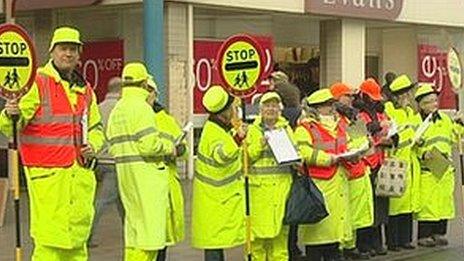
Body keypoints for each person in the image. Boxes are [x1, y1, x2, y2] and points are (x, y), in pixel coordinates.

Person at [0, 26, 105, 260]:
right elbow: (12, 126)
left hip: (79, 181)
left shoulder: (85, 90)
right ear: (52, 52)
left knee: (78, 247)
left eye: (72, 50)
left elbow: (97, 128)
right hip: (49, 181)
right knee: (49, 247)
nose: (67, 54)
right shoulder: (37, 82)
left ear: (79, 55)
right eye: (63, 49)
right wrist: (10, 113)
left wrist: (94, 146)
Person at [106, 62, 177, 261]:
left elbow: (111, 144)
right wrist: (169, 146)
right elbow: (149, 146)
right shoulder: (143, 109)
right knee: (149, 240)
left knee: (134, 237)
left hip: (127, 179)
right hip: (148, 181)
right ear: (145, 83)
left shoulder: (117, 110)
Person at [295, 89, 353, 261]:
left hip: (339, 182)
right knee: (318, 237)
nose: (331, 108)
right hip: (319, 185)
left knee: (335, 235)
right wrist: (329, 159)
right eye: (326, 105)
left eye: (331, 104)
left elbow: (348, 144)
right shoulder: (305, 128)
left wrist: (357, 151)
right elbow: (303, 152)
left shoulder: (339, 125)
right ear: (316, 108)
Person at [191, 85, 247, 261]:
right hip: (216, 200)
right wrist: (237, 139)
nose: (234, 111)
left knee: (214, 246)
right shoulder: (213, 133)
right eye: (232, 108)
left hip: (214, 200)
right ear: (224, 112)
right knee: (214, 249)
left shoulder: (217, 128)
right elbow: (221, 155)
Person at [414, 84, 464, 247]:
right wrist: (423, 154)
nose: (434, 104)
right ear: (421, 104)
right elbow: (412, 144)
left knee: (443, 202)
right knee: (427, 204)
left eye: (435, 101)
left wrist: (461, 124)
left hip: (444, 169)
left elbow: (455, 135)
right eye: (429, 102)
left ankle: (439, 232)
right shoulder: (416, 121)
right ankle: (425, 235)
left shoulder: (444, 119)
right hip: (427, 168)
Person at [245, 92, 294, 260]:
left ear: (280, 109)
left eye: (274, 106)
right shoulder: (252, 130)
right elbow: (246, 158)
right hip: (258, 193)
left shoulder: (286, 129)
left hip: (282, 189)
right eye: (267, 105)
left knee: (280, 238)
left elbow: (295, 151)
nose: (271, 109)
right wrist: (260, 145)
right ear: (261, 109)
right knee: (257, 239)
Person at [330, 83, 374, 260]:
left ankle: (351, 246)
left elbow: (365, 144)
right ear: (336, 98)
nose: (350, 99)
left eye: (351, 96)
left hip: (360, 170)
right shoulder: (335, 120)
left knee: (356, 214)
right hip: (347, 172)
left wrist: (368, 143)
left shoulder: (353, 118)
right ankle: (343, 246)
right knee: (345, 213)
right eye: (346, 96)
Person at [148, 78, 186, 261]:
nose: (147, 95)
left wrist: (177, 150)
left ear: (156, 95)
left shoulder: (166, 120)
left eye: (150, 91)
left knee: (161, 238)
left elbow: (183, 148)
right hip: (142, 184)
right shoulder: (133, 117)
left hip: (165, 183)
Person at [353, 79, 391, 257]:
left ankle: (377, 242)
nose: (376, 101)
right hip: (367, 164)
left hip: (380, 163)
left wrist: (392, 138)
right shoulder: (358, 113)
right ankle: (365, 244)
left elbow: (390, 129)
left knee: (380, 206)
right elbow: (359, 131)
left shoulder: (380, 112)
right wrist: (376, 127)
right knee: (367, 207)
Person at [384, 75, 422, 251]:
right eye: (408, 93)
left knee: (406, 204)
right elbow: (391, 134)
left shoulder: (410, 112)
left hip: (409, 160)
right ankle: (393, 241)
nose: (410, 96)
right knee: (395, 204)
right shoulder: (389, 110)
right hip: (395, 161)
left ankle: (405, 239)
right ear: (401, 95)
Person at [88, 77, 125, 247]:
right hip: (113, 161)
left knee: (122, 201)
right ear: (121, 90)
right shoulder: (121, 109)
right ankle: (86, 236)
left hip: (98, 160)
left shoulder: (98, 108)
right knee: (102, 201)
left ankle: (131, 232)